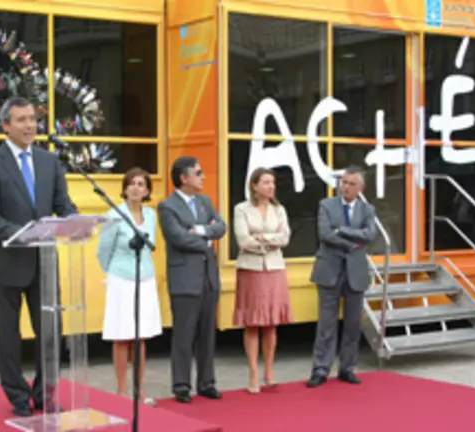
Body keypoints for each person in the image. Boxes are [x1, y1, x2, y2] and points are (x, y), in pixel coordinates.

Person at [0, 96, 77, 416]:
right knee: (9, 335)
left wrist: (74, 221)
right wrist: (19, 233)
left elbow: (65, 204)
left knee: (51, 333)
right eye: (21, 120)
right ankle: (17, 396)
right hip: (6, 263)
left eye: (33, 118)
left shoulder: (50, 162)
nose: (30, 125)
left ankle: (45, 394)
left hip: (44, 263)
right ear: (6, 126)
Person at [158, 156, 226, 403]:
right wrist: (206, 239)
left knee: (208, 334)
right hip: (185, 279)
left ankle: (207, 383)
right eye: (198, 173)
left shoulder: (205, 201)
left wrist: (200, 231)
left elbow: (221, 227)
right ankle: (182, 385)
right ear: (184, 178)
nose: (203, 177)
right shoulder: (167, 206)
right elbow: (178, 238)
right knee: (184, 335)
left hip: (208, 277)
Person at [96, 167, 162, 406]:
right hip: (121, 279)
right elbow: (103, 251)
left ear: (147, 190)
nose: (136, 187)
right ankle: (122, 389)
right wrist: (113, 273)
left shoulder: (152, 215)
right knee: (122, 335)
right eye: (132, 183)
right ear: (125, 189)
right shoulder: (114, 214)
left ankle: (140, 389)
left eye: (141, 184)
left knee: (140, 336)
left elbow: (150, 245)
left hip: (145, 276)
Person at [307, 165, 377, 388]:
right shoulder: (326, 205)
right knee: (326, 324)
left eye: (351, 184)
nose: (345, 187)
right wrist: (353, 243)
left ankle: (347, 368)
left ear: (361, 188)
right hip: (329, 270)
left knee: (353, 324)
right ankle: (320, 369)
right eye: (343, 182)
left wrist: (344, 231)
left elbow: (370, 235)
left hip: (355, 272)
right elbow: (325, 235)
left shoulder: (367, 210)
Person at [232, 167, 293, 394]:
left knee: (271, 323)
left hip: (275, 268)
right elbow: (243, 240)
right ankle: (253, 374)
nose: (271, 186)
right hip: (251, 269)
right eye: (266, 182)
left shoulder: (280, 210)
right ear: (254, 186)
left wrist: (263, 238)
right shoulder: (242, 209)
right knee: (253, 322)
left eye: (272, 182)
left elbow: (285, 238)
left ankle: (269, 371)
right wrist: (269, 242)